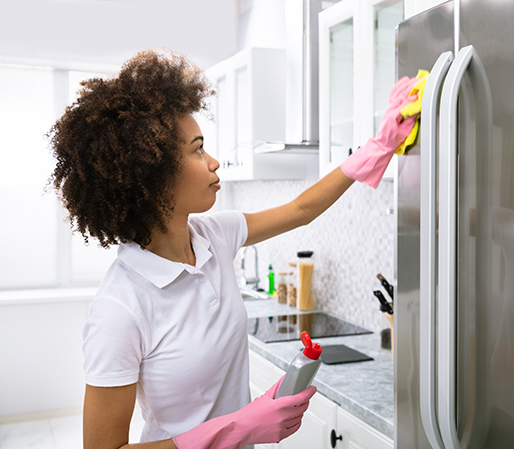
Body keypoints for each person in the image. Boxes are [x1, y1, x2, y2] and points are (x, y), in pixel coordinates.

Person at [48, 48, 419, 449]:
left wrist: (377, 146)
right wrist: (238, 427)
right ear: (155, 175)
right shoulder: (120, 309)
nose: (215, 162)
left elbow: (301, 209)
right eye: (197, 149)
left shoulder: (214, 236)